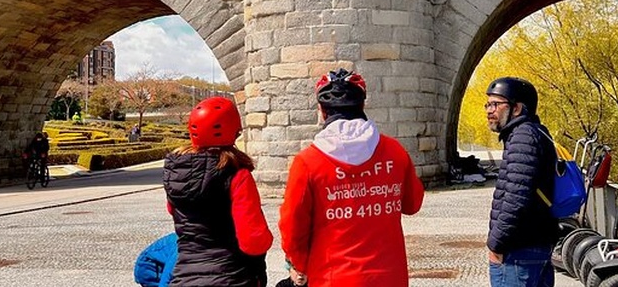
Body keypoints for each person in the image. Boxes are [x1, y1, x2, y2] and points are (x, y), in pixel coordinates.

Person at [278, 68, 425, 287]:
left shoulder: (307, 162)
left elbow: (292, 227)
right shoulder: (395, 152)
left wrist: (299, 265)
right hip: (389, 276)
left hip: (332, 277)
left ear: (321, 111)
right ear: (363, 106)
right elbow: (412, 204)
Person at [162, 96, 272, 287]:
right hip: (233, 276)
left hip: (184, 276)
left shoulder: (175, 172)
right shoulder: (237, 174)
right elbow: (253, 242)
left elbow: (173, 211)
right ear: (234, 131)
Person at [485, 77, 558, 287]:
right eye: (488, 105)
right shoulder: (534, 132)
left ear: (516, 108)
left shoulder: (522, 136)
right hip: (534, 246)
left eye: (496, 104)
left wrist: (496, 243)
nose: (489, 110)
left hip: (519, 251)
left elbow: (516, 196)